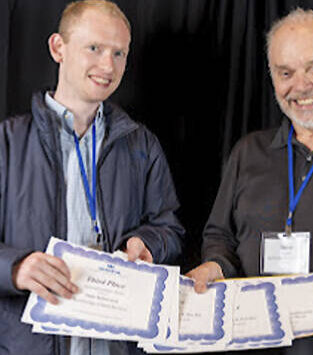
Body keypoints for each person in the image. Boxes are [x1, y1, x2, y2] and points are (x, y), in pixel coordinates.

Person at [187, 8, 313, 355]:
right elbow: (220, 236)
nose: (300, 86)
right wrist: (215, 266)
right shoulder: (248, 153)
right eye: (286, 72)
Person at [0, 1, 184, 354]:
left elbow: (170, 228)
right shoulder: (7, 143)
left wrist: (148, 244)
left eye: (119, 53)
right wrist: (15, 266)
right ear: (58, 48)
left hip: (114, 344)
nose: (107, 66)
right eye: (94, 48)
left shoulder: (141, 144)